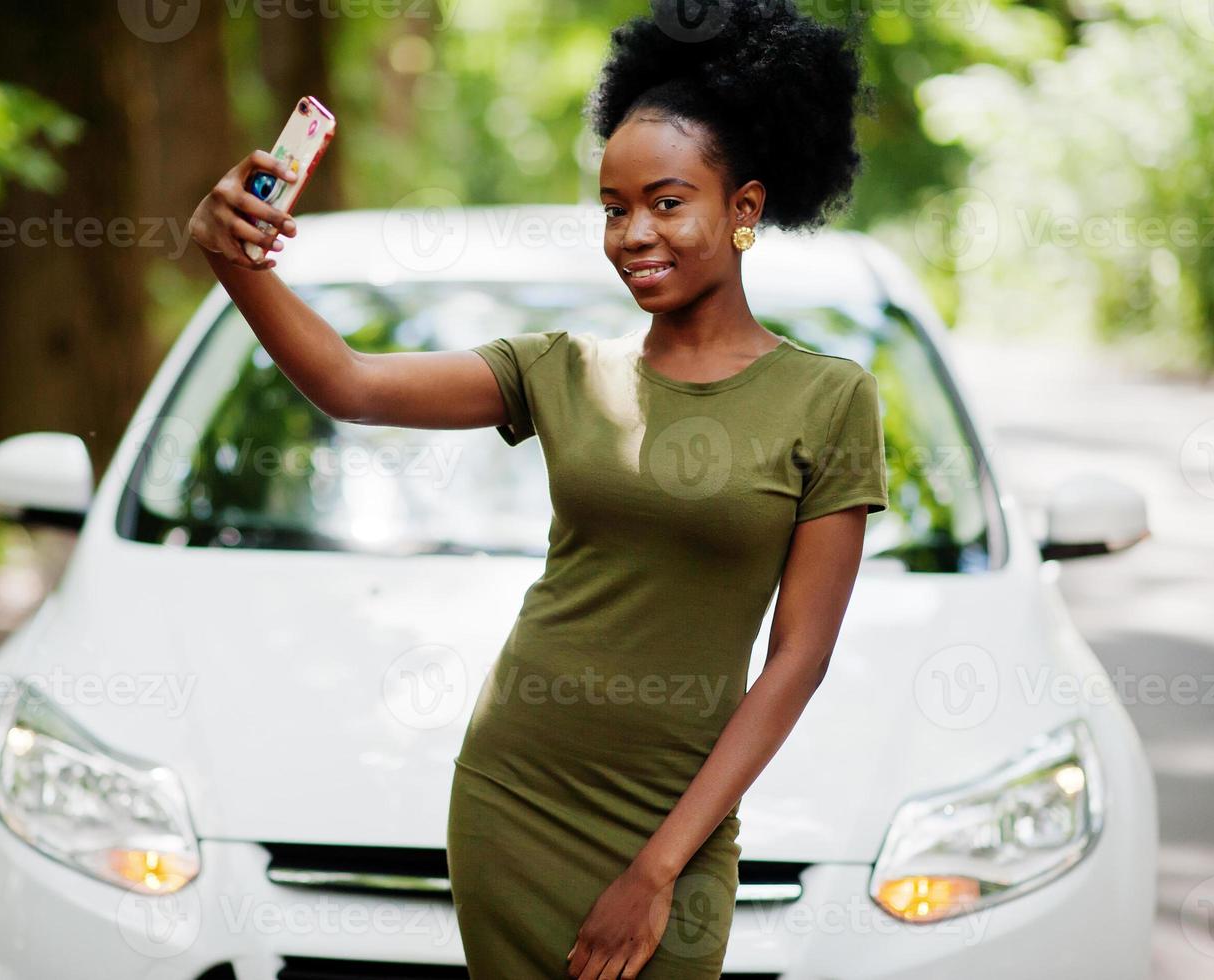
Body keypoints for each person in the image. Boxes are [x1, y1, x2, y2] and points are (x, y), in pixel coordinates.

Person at [187, 0, 885, 975]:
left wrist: (658, 866)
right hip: (516, 789)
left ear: (746, 209)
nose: (634, 231)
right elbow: (354, 383)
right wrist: (233, 259)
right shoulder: (560, 369)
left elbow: (797, 661)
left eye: (668, 201)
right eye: (613, 206)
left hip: (673, 820)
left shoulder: (830, 398)